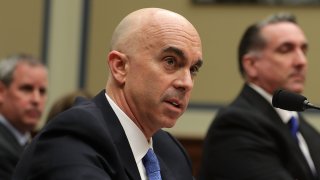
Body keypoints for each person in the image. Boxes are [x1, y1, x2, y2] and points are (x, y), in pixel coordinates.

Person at [13, 7, 203, 180]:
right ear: (120, 67)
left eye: (193, 69)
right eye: (170, 62)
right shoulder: (73, 136)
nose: (186, 83)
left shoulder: (171, 151)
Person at [199, 12, 320, 180]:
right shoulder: (236, 125)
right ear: (251, 65)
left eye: (303, 50)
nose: (301, 61)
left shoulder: (304, 128)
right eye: (286, 49)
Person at [0, 53, 48, 180]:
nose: (36, 100)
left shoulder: (32, 142)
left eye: (42, 91)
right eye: (27, 89)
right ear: (1, 92)